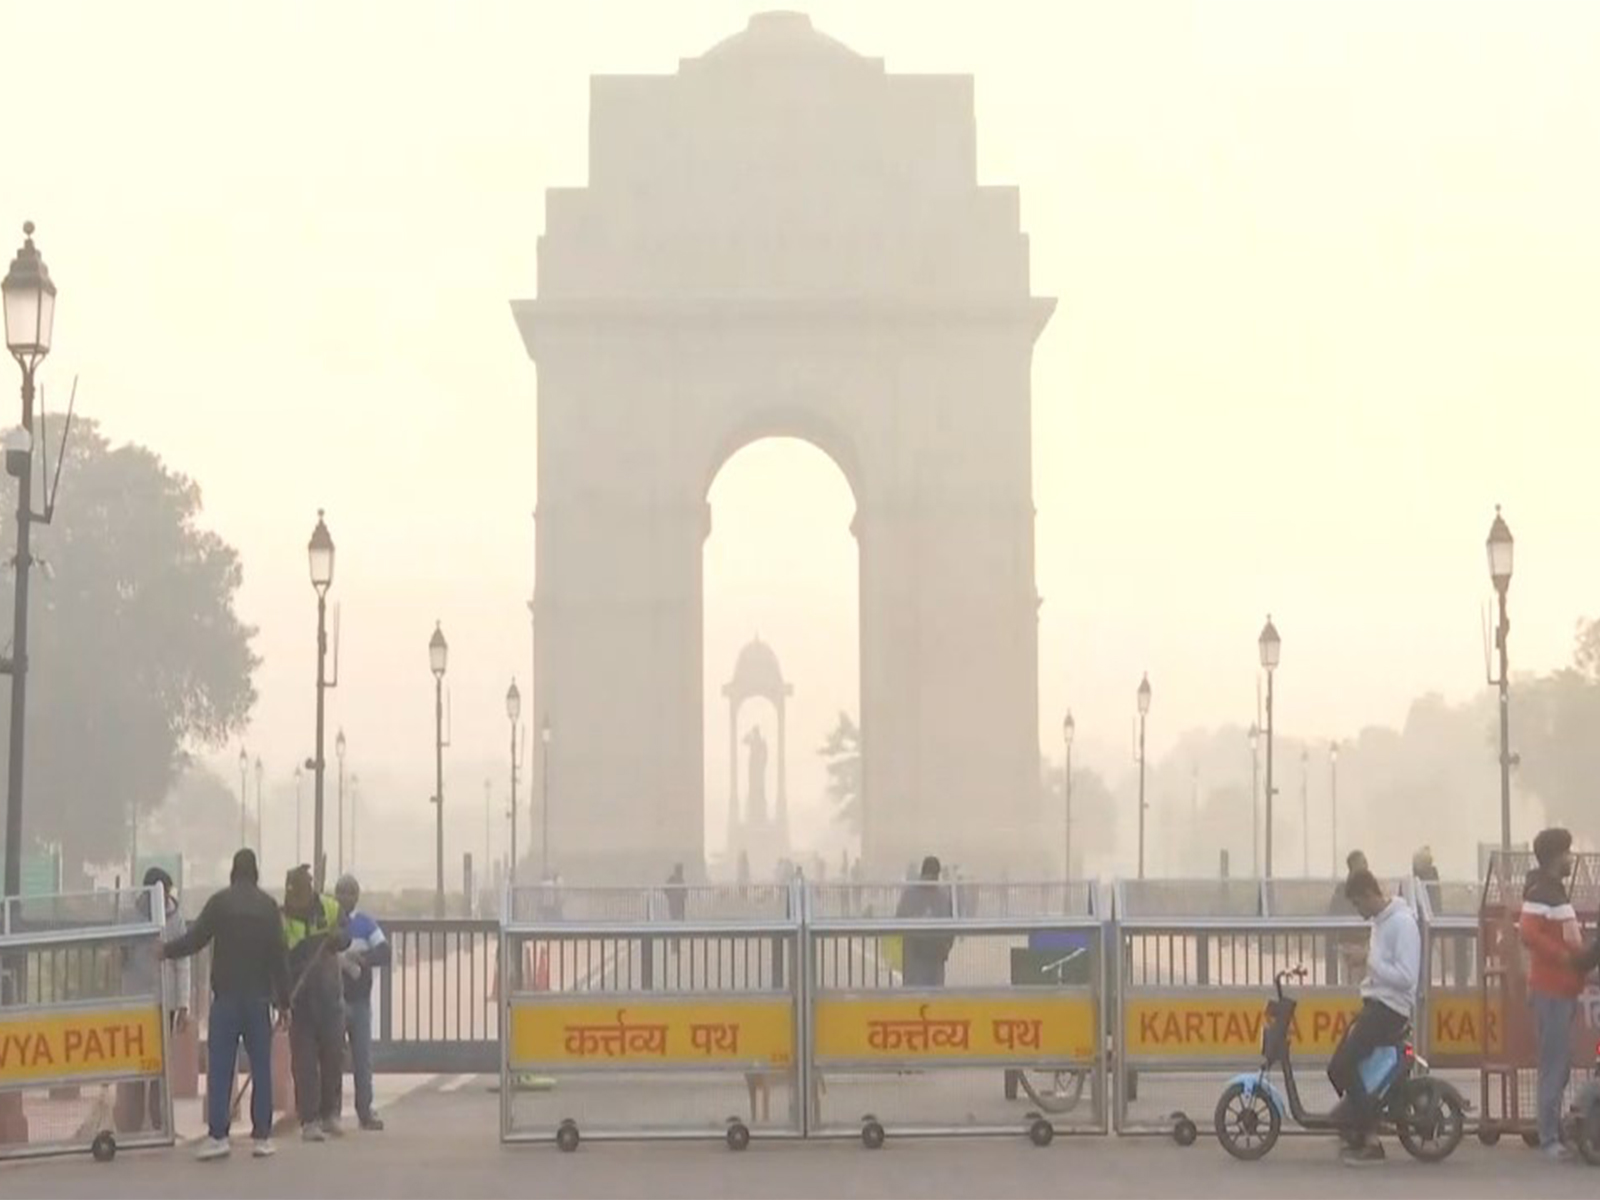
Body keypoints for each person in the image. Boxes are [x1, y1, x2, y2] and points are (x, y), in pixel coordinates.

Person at [162, 849, 289, 1161]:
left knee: (220, 1068)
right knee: (261, 1068)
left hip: (226, 1000)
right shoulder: (268, 907)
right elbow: (279, 957)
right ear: (255, 872)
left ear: (233, 871)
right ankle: (262, 1137)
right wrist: (284, 1003)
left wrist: (165, 950)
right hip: (259, 1001)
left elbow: (195, 939)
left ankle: (218, 1136)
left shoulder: (220, 903)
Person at [1326, 869, 1420, 1164]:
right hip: (1376, 1005)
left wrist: (1368, 962)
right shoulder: (1380, 923)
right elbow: (1380, 966)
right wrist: (1366, 962)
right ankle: (1357, 1121)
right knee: (1341, 1067)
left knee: (1340, 1066)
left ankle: (1370, 1137)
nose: (1358, 911)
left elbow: (1406, 977)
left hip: (1390, 1009)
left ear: (1369, 894)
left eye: (1357, 904)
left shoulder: (1402, 924)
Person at [1519, 827, 1585, 1160]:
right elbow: (1528, 933)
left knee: (1562, 1064)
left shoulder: (1555, 892)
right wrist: (1562, 957)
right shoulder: (1541, 893)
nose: (1571, 858)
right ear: (1555, 857)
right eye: (1567, 853)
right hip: (1552, 990)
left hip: (1564, 989)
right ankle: (1548, 1138)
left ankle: (1552, 1127)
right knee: (1554, 1064)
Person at [116, 867, 190, 1135]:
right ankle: (133, 1124)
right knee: (137, 1065)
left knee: (161, 1066)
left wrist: (183, 1003)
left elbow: (183, 962)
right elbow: (120, 958)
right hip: (136, 1001)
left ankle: (161, 1124)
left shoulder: (175, 918)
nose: (165, 898)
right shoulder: (129, 918)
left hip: (165, 1001)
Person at [282, 865, 350, 1142]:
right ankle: (309, 1119)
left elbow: (346, 932)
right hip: (300, 1002)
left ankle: (330, 1114)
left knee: (334, 1055)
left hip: (329, 997)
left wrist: (338, 939)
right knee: (305, 1063)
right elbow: (278, 959)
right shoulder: (283, 918)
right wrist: (282, 998)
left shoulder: (330, 908)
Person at [334, 874, 390, 1132]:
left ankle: (364, 1110)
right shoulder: (330, 923)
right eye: (341, 892)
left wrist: (361, 959)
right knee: (332, 1058)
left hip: (359, 1000)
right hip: (334, 1001)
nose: (345, 897)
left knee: (362, 1058)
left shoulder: (366, 924)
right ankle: (331, 1112)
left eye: (349, 893)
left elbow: (384, 952)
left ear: (356, 896)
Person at [895, 856, 955, 987]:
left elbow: (898, 919)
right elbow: (951, 926)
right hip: (925, 954)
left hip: (921, 954)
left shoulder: (910, 894)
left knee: (918, 992)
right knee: (931, 993)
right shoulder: (943, 895)